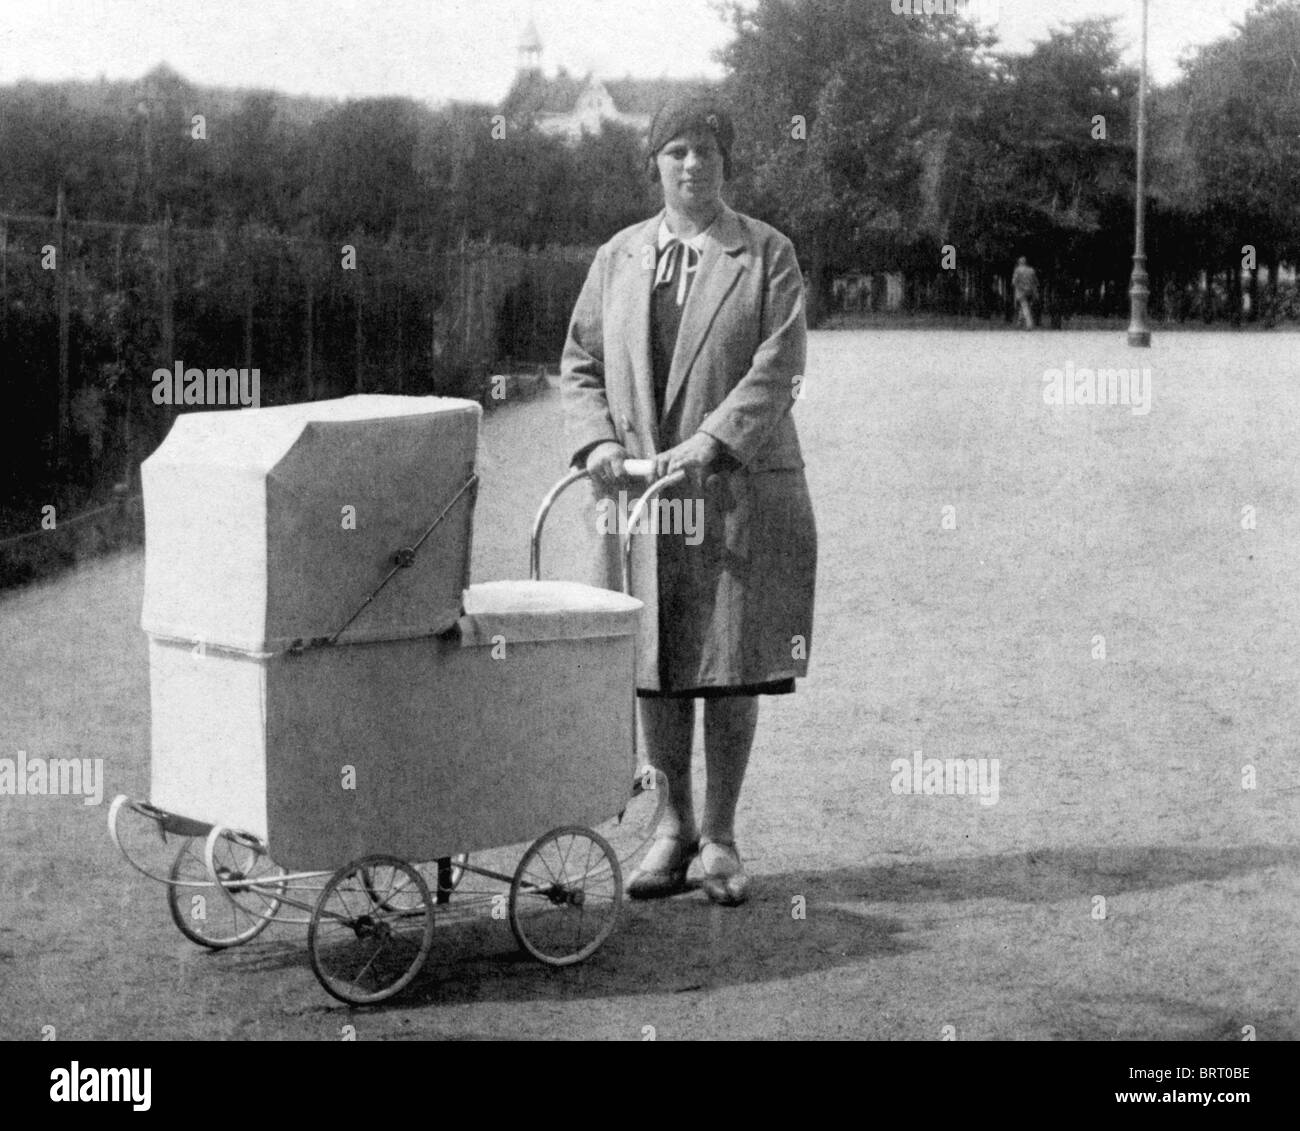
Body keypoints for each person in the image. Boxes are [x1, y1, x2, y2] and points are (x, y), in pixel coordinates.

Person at [560, 95, 817, 907]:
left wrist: (713, 441)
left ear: (726, 161)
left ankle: (721, 836)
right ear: (654, 164)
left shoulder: (767, 254)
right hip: (642, 496)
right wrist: (599, 441)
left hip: (733, 488)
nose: (692, 164)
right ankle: (670, 828)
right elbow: (580, 364)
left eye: (706, 149)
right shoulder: (619, 257)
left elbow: (780, 364)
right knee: (656, 660)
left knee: (731, 661)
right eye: (675, 150)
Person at [1012, 256, 1039, 329]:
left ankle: (1029, 324)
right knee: (1024, 307)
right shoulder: (1031, 270)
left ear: (1019, 262)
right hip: (1030, 291)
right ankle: (1019, 323)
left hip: (1021, 291)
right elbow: (1035, 281)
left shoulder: (1017, 270)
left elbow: (1014, 282)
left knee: (1025, 307)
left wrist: (1018, 286)